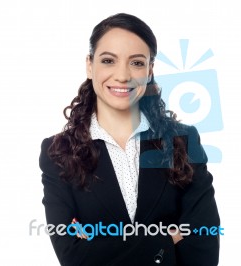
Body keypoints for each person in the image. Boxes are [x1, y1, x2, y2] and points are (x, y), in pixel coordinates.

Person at [39, 13, 220, 266]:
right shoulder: (58, 151)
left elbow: (203, 250)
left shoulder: (183, 141)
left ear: (149, 70)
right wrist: (166, 242)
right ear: (90, 66)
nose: (122, 75)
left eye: (136, 63)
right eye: (108, 60)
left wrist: (98, 246)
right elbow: (72, 257)